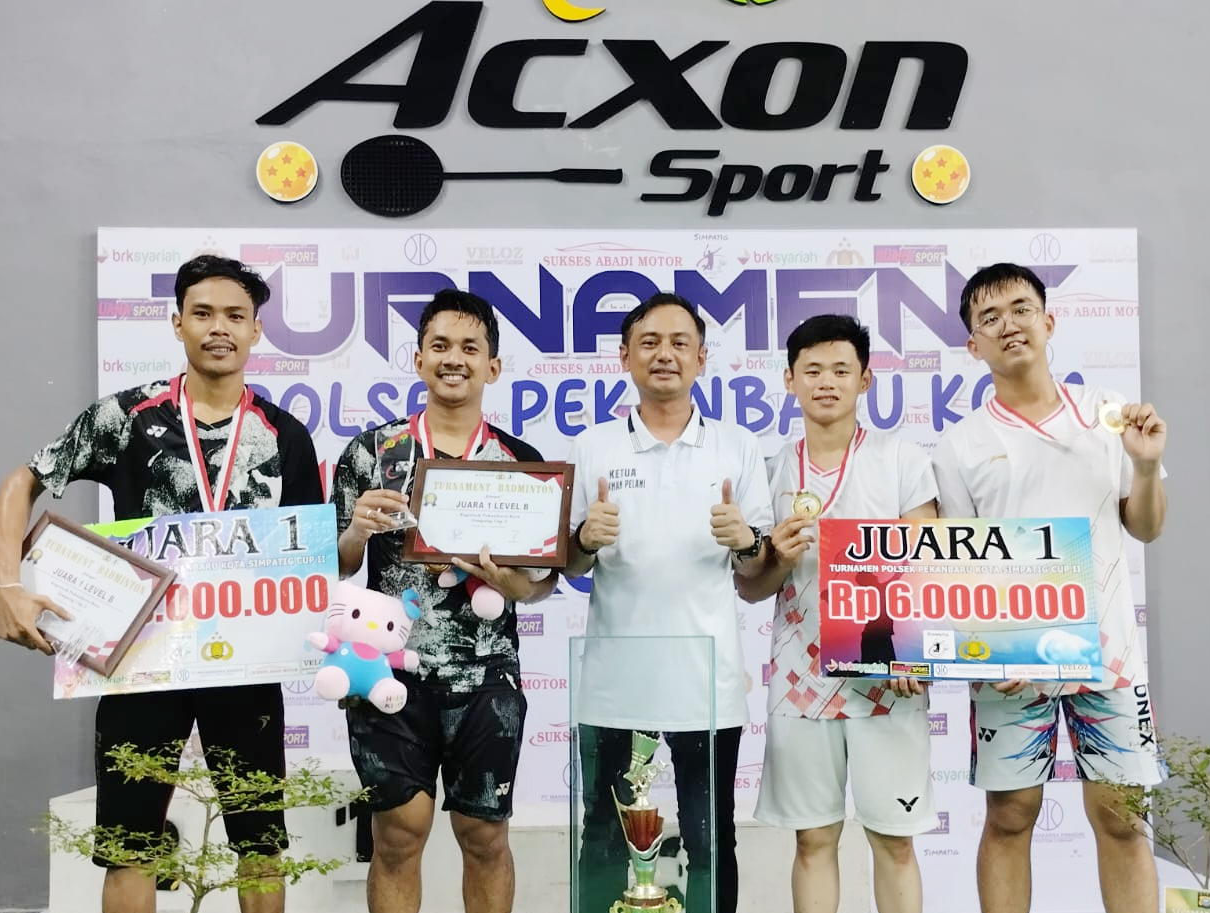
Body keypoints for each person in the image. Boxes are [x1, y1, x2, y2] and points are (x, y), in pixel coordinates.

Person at [0, 255, 323, 913]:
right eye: (203, 313)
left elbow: (311, 557)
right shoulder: (126, 417)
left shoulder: (285, 434)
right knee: (130, 846)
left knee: (261, 846)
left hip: (247, 662)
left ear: (256, 330)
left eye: (235, 316)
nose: (219, 328)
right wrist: (5, 584)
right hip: (141, 659)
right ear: (177, 323)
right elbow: (23, 479)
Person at [930, 263, 1168, 913]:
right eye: (989, 317)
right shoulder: (959, 445)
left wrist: (1146, 467)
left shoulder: (1109, 415)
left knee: (1123, 817)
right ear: (972, 344)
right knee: (1010, 816)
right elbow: (958, 568)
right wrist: (991, 648)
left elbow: (1146, 525)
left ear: (1049, 321)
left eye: (1020, 308)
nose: (1008, 324)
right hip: (1011, 660)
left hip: (1109, 653)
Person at [332, 289, 559, 913]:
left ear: (493, 366)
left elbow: (542, 583)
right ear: (418, 359)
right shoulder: (371, 454)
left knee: (484, 836)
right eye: (439, 346)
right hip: (388, 671)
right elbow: (336, 566)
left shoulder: (521, 464)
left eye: (469, 348)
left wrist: (510, 583)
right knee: (397, 836)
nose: (453, 359)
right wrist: (355, 532)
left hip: (487, 677)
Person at [564, 293, 776, 913]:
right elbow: (568, 564)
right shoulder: (593, 446)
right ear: (624, 356)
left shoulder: (737, 446)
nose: (665, 354)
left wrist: (746, 540)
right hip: (614, 686)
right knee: (603, 837)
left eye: (680, 342)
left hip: (705, 686)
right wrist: (585, 539)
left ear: (702, 359)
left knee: (711, 841)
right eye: (649, 342)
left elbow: (756, 570)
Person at [736, 315, 939, 913]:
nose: (827, 382)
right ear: (789, 380)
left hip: (888, 675)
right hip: (801, 678)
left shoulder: (901, 459)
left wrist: (913, 653)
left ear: (865, 380)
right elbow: (752, 588)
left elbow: (928, 567)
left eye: (841, 370)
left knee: (895, 842)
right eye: (813, 370)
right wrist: (777, 556)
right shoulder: (772, 470)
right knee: (813, 840)